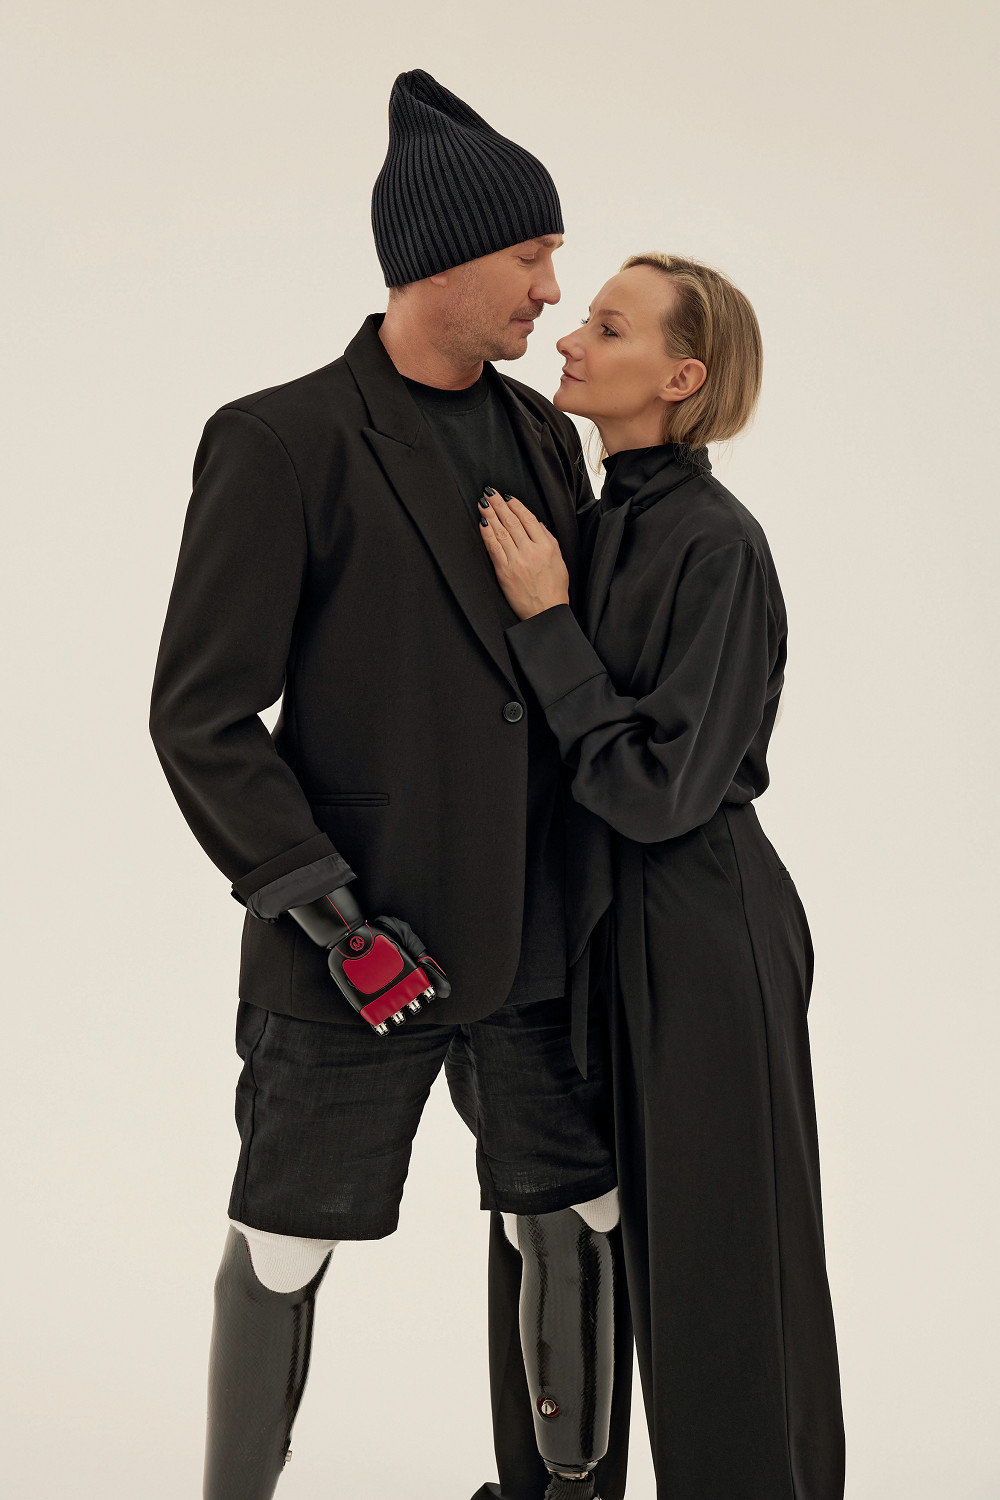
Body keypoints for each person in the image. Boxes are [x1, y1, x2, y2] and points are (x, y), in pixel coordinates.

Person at [149, 69, 631, 1500]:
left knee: (578, 1219)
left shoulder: (543, 436)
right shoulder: (280, 439)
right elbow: (202, 715)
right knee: (285, 1245)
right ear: (442, 256)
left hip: (536, 941)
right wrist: (329, 915)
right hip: (359, 952)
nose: (554, 289)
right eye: (531, 254)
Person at [476, 253, 846, 1499]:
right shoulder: (581, 524)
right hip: (579, 925)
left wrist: (548, 624)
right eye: (583, 317)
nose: (570, 338)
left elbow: (658, 790)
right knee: (553, 1236)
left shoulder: (717, 547)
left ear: (680, 379)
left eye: (609, 326)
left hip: (700, 928)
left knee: (718, 1263)